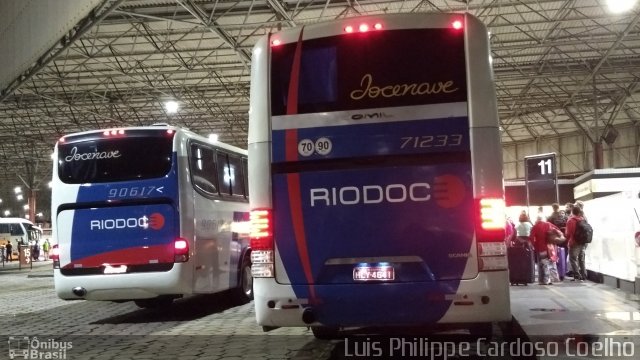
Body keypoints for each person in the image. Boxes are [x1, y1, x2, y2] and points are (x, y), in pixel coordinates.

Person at [530, 216, 561, 285]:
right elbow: (558, 230)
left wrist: (533, 246)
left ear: (537, 220)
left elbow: (531, 238)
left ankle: (544, 280)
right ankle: (553, 279)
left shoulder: (535, 226)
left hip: (541, 248)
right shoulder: (549, 224)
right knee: (551, 263)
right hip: (551, 247)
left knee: (543, 264)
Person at [565, 206, 588, 281]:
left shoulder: (571, 220)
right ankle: (584, 275)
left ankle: (577, 275)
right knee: (581, 259)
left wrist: (568, 241)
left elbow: (568, 234)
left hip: (574, 242)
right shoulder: (582, 219)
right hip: (583, 242)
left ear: (572, 211)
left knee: (573, 259)